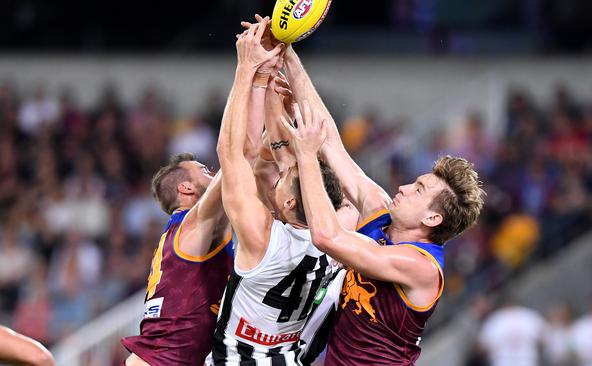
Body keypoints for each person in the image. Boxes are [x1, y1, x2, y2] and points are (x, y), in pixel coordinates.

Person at [275, 36, 484, 365]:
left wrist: (305, 156)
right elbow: (330, 140)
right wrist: (289, 56)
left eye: (418, 190)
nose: (403, 188)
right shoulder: (380, 214)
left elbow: (327, 236)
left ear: (432, 219)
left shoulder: (422, 268)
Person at [121, 25, 280, 365]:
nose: (214, 172)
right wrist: (249, 70)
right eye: (205, 171)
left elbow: (247, 151)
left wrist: (262, 80)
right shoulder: (196, 224)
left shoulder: (194, 228)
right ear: (186, 189)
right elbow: (240, 153)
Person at [210, 18, 345, 365]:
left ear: (287, 202)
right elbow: (292, 164)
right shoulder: (337, 240)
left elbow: (232, 154)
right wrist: (269, 85)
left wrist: (247, 69)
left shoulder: (261, 236)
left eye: (283, 178)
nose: (279, 172)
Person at [477, 298, 546, 366]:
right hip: (526, 361)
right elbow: (544, 339)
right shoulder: (529, 316)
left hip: (502, 361)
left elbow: (482, 347)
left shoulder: (494, 320)